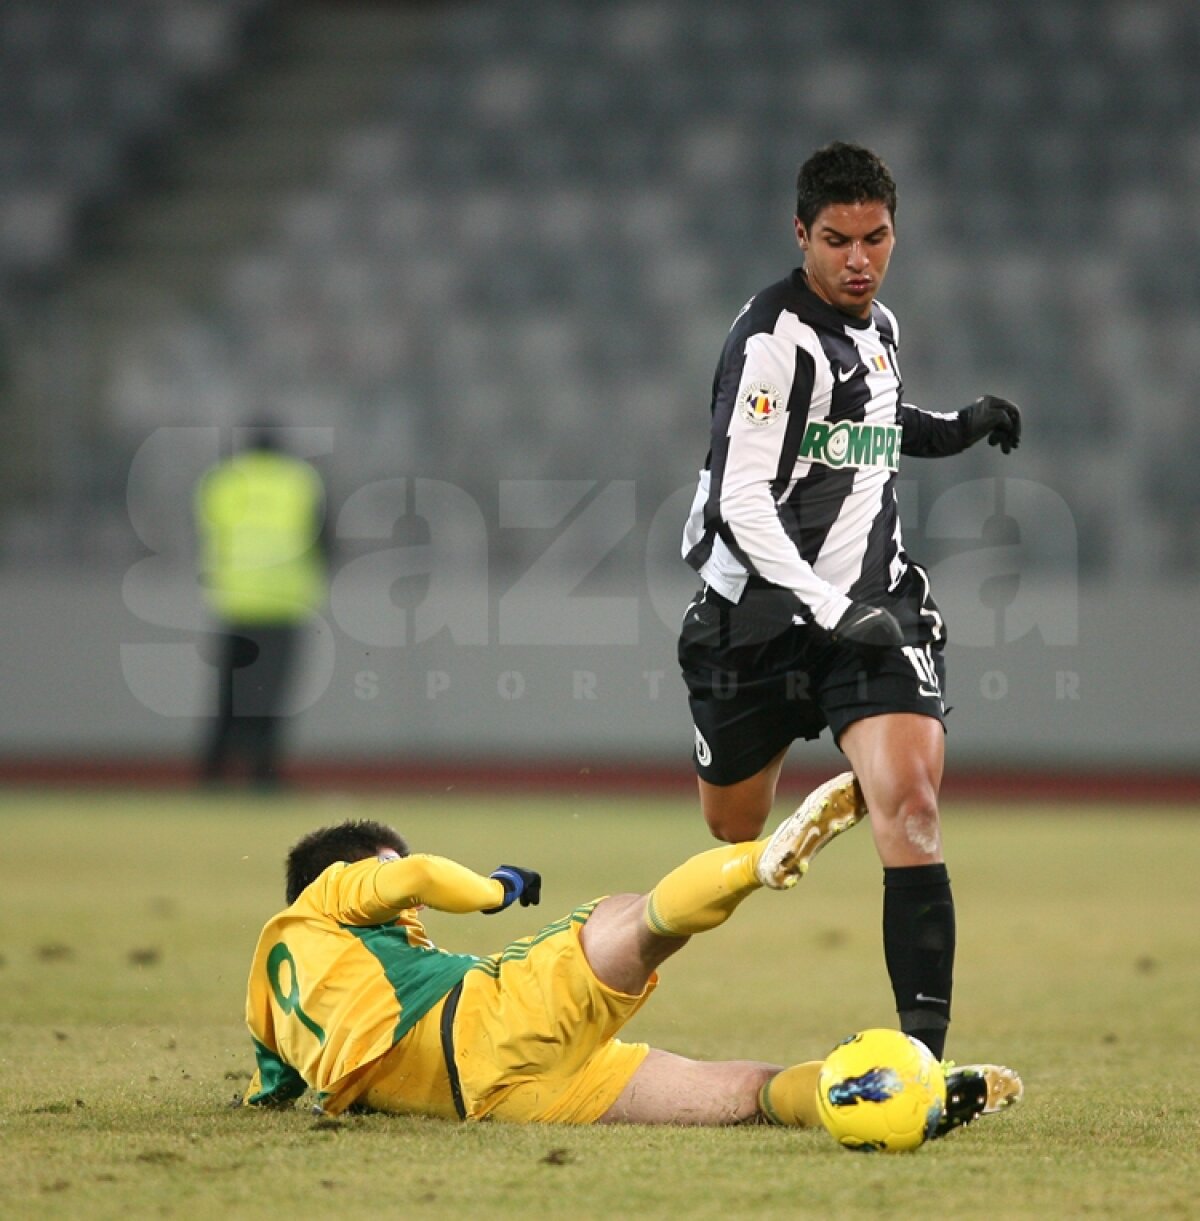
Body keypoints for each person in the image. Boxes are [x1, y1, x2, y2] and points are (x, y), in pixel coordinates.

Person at [677, 142, 1023, 1061]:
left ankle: (922, 1058)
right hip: (754, 620)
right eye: (837, 240)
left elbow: (879, 417)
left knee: (910, 804)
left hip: (875, 609)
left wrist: (960, 426)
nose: (859, 259)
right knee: (732, 827)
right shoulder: (769, 344)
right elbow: (740, 500)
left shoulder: (881, 328)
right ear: (802, 236)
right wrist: (824, 606)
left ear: (893, 232)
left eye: (875, 238)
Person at [242, 772, 1022, 1131]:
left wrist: (265, 1100)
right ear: (349, 872)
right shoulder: (337, 889)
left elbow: (273, 1081)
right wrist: (496, 889)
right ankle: (758, 860)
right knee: (638, 919)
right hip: (480, 1020)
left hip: (495, 1101)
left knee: (749, 1093)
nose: (408, 905)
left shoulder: (270, 982)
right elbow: (411, 871)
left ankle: (903, 1093)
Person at [195, 423, 328, 788]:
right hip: (284, 603)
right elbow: (325, 537)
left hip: (234, 601)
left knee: (228, 694)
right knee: (271, 695)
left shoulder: (223, 480)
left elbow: (210, 533)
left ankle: (212, 775)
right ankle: (263, 774)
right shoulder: (300, 481)